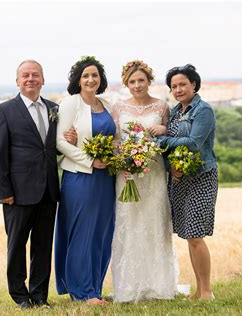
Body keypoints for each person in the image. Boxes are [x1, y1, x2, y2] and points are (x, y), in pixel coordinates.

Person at [0, 59, 76, 309]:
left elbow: (52, 149)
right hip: (17, 193)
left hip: (49, 190)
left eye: (35, 75)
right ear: (17, 81)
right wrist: (3, 191)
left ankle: (39, 296)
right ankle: (20, 296)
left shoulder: (54, 109)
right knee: (16, 246)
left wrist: (71, 140)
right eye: (25, 75)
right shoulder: (4, 111)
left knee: (42, 246)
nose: (30, 79)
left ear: (43, 80)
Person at [110, 60, 177, 302]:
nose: (137, 85)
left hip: (154, 172)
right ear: (126, 83)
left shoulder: (162, 107)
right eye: (132, 81)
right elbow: (116, 141)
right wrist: (124, 159)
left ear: (149, 81)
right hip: (127, 174)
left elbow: (170, 137)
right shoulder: (118, 107)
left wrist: (164, 131)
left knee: (154, 222)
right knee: (128, 222)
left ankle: (159, 285)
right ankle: (128, 285)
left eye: (141, 80)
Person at [54, 56, 116, 305]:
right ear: (78, 80)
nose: (91, 79)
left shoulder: (107, 103)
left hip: (105, 180)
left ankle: (95, 288)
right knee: (82, 233)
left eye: (95, 75)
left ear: (101, 79)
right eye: (86, 76)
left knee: (101, 233)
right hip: (80, 178)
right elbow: (60, 141)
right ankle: (82, 292)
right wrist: (91, 161)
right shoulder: (71, 104)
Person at [157, 64, 218, 301]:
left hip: (201, 177)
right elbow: (175, 141)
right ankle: (198, 290)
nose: (178, 89)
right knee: (188, 235)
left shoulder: (203, 110)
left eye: (182, 84)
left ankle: (206, 291)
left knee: (195, 235)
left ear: (194, 84)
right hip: (179, 179)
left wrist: (160, 139)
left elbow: (193, 143)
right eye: (174, 86)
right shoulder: (175, 111)